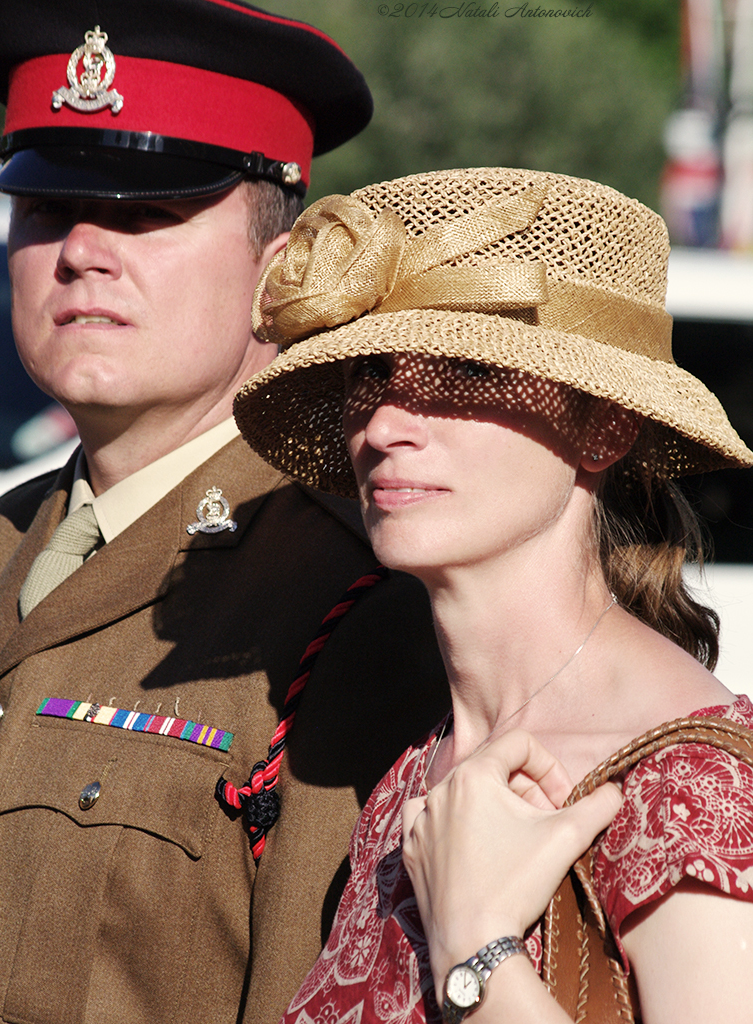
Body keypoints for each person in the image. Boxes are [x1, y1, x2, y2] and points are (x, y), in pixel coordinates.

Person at [0, 4, 447, 1023]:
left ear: (284, 267)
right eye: (46, 208)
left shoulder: (357, 602)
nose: (82, 249)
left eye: (146, 212)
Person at [233, 166, 753, 1023]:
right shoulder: (413, 771)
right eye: (373, 372)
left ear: (604, 426)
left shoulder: (692, 793)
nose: (387, 425)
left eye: (466, 375)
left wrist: (478, 950)